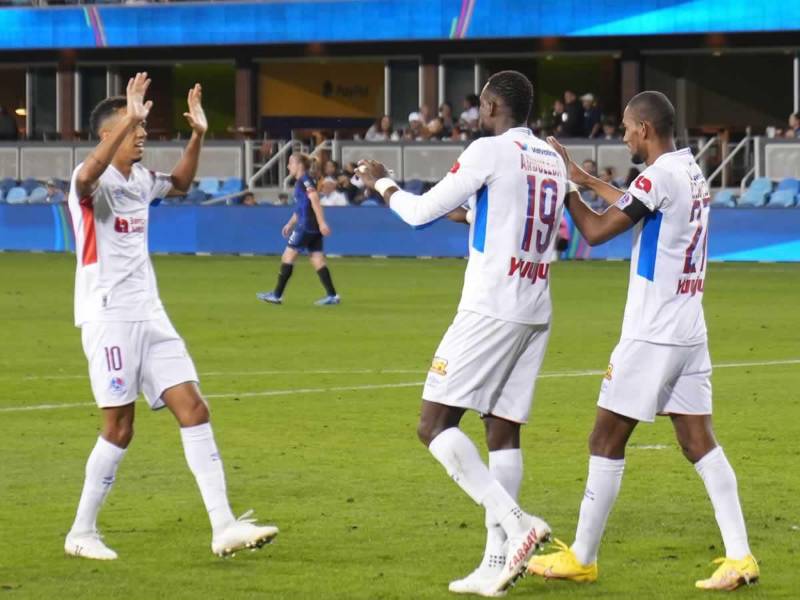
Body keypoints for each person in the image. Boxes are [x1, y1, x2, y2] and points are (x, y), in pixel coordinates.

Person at [528, 91, 758, 591]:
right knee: (698, 441)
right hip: (688, 327)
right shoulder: (687, 169)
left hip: (652, 334)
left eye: (628, 127)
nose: (624, 135)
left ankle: (583, 557)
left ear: (646, 130)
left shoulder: (657, 177)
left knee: (604, 439)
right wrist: (588, 180)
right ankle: (740, 556)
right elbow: (643, 205)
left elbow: (592, 232)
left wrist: (569, 190)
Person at [357, 70, 567, 597]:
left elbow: (419, 213)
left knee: (433, 424)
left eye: (481, 106)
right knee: (502, 429)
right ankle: (497, 560)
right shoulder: (549, 158)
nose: (478, 115)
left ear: (493, 106)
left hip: (490, 307)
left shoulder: (488, 149)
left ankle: (517, 523)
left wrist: (381, 182)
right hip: (535, 305)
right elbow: (486, 213)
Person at [64, 72, 278, 561]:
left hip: (152, 315)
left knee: (194, 408)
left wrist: (199, 134)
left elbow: (179, 183)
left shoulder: (140, 180)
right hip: (109, 317)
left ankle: (223, 526)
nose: (141, 132)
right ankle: (81, 532)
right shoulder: (89, 183)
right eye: (132, 126)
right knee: (119, 427)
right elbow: (86, 176)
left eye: (142, 126)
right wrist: (129, 120)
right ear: (106, 134)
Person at [257, 153, 340, 305]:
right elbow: (302, 207)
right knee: (317, 259)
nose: (288, 166)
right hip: (310, 226)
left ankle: (277, 295)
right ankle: (332, 296)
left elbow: (314, 199)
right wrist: (290, 223)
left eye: (291, 163)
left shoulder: (305, 181)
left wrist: (322, 222)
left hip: (306, 226)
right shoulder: (302, 182)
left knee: (287, 257)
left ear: (299, 165)